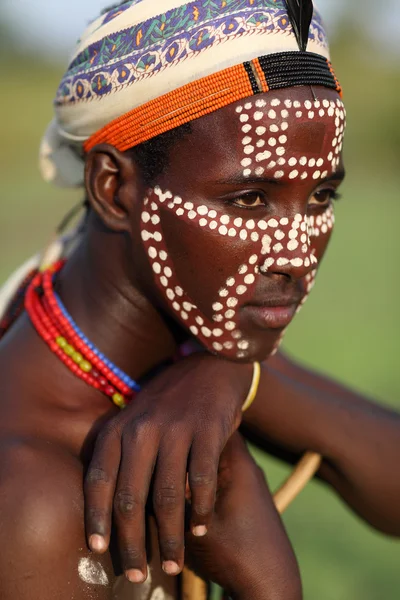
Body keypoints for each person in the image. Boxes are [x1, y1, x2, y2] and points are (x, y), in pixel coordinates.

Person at [0, 1, 399, 599]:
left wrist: (235, 377)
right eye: (248, 200)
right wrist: (270, 588)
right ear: (114, 188)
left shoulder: (191, 345)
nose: (295, 253)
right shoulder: (34, 498)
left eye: (321, 198)